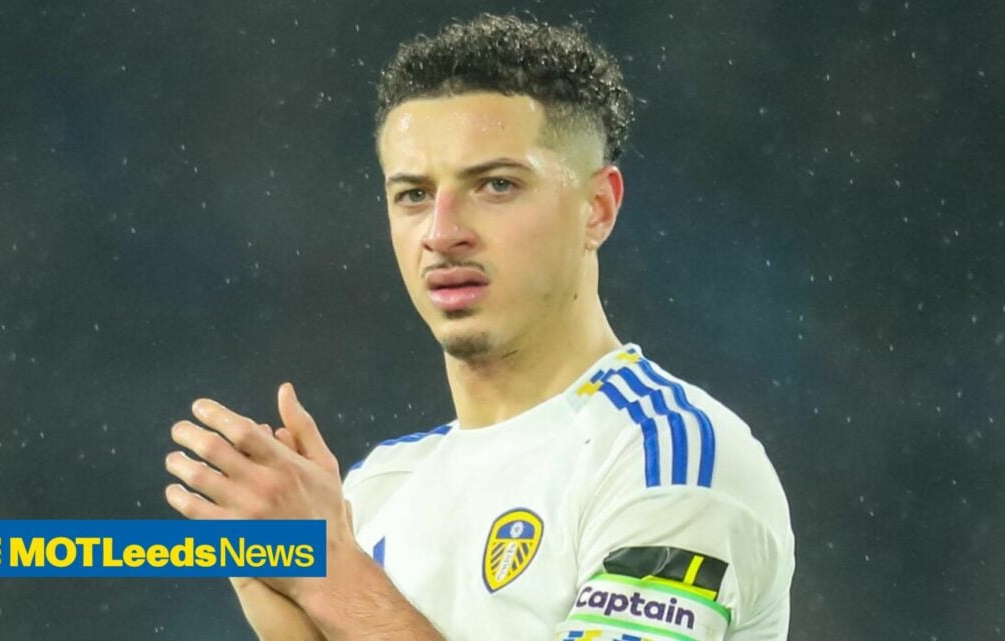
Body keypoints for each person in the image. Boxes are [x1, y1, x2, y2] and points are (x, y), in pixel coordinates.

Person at [164, 13, 794, 641]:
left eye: (496, 185)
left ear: (597, 208)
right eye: (413, 195)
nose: (442, 233)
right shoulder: (377, 488)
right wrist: (272, 589)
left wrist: (334, 577)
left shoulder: (669, 459)